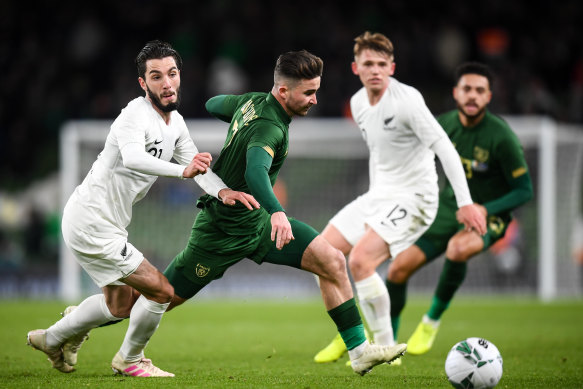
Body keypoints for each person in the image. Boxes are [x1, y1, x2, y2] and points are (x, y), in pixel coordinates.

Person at [161, 49, 407, 376]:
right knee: (161, 296)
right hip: (223, 231)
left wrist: (240, 117)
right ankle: (88, 319)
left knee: (333, 261)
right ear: (283, 92)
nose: (315, 100)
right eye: (308, 93)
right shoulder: (269, 128)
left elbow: (212, 104)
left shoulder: (251, 103)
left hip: (256, 225)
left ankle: (360, 352)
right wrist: (277, 211)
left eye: (315, 91)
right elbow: (255, 173)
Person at [26, 40, 259, 377]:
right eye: (156, 76)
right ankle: (130, 360)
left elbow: (195, 164)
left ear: (180, 76)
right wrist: (183, 171)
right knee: (161, 290)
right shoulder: (134, 116)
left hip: (102, 223)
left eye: (172, 74)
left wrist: (223, 191)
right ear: (143, 83)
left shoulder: (175, 123)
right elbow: (136, 158)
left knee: (119, 304)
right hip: (91, 221)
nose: (167, 83)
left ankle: (54, 338)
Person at [313, 32, 487, 365]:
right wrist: (376, 199)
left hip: (416, 198)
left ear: (392, 67)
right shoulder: (358, 103)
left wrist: (465, 202)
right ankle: (352, 338)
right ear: (356, 68)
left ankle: (386, 351)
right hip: (380, 195)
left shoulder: (407, 101)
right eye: (368, 64)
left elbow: (445, 149)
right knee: (320, 253)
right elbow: (381, 154)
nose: (375, 70)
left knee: (360, 261)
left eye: (382, 64)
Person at [386, 62, 533, 355]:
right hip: (447, 209)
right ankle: (387, 341)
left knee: (457, 249)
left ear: (489, 96)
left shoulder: (501, 137)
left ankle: (430, 322)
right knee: (397, 269)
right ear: (456, 92)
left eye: (480, 90)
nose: (472, 96)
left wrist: (485, 209)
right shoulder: (442, 125)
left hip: (488, 215)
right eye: (467, 89)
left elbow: (524, 189)